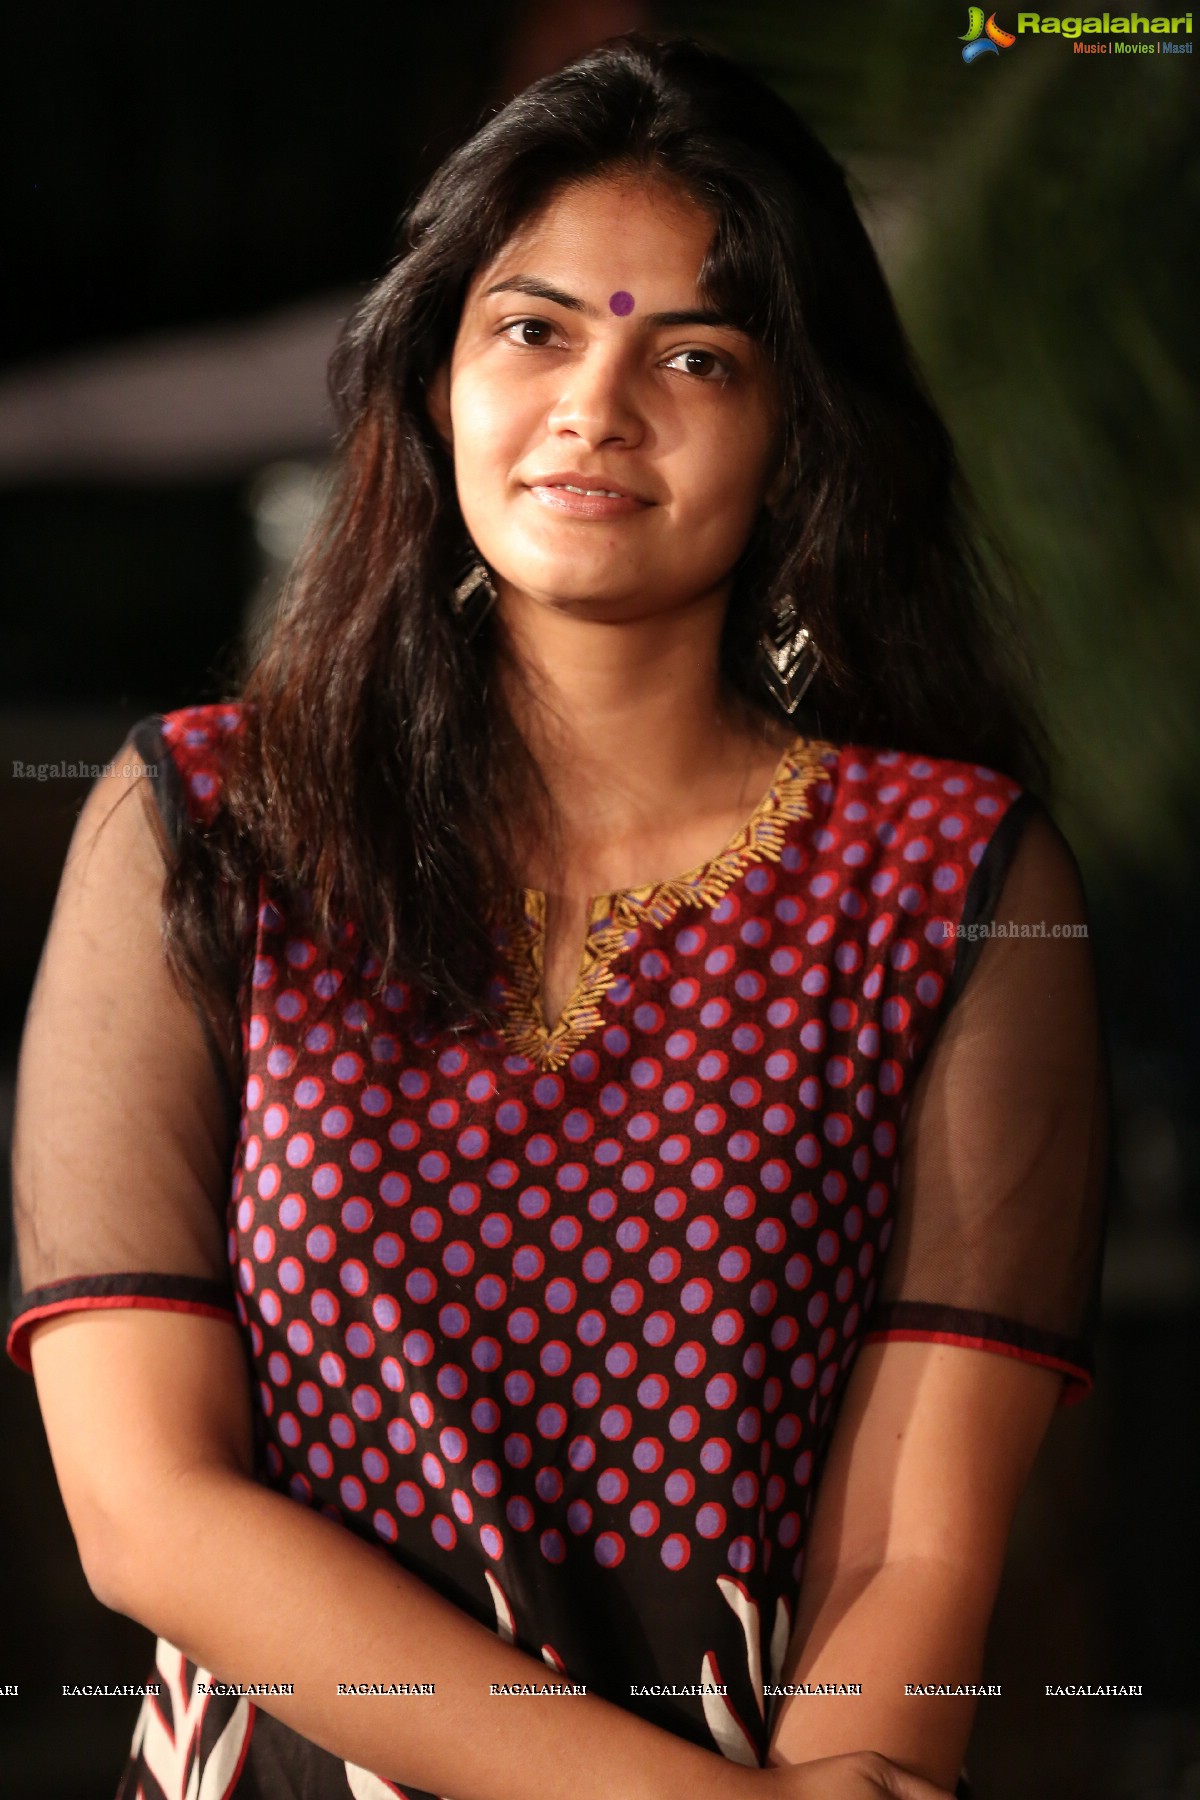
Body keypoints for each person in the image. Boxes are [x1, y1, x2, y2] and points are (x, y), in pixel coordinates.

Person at [7, 33, 1107, 1800]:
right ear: (437, 375)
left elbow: (918, 1548)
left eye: (695, 354)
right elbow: (149, 1512)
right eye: (535, 329)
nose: (598, 402)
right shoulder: (210, 822)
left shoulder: (947, 877)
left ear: (800, 429)